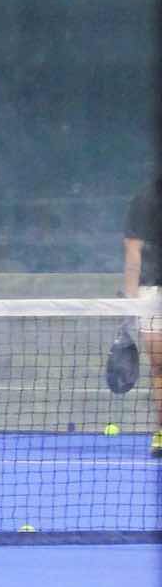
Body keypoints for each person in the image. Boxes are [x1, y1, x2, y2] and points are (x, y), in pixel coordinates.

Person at [121, 174, 162, 457]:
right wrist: (130, 302)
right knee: (159, 367)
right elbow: (133, 251)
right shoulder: (145, 199)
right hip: (152, 294)